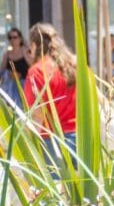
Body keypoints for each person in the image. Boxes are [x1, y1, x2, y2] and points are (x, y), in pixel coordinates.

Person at [24, 23, 77, 161]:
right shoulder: (74, 65)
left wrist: (27, 149)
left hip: (52, 143)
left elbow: (37, 116)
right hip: (82, 139)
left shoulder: (37, 71)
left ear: (35, 45)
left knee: (55, 183)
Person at [1, 27, 29, 107]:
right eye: (10, 37)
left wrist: (25, 53)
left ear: (20, 39)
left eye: (15, 37)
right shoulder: (7, 54)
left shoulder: (26, 51)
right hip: (10, 88)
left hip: (24, 87)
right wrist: (7, 74)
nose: (12, 40)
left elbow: (32, 67)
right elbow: (1, 72)